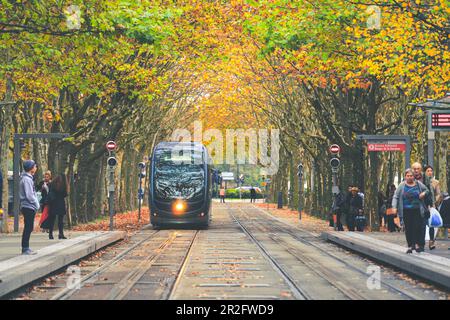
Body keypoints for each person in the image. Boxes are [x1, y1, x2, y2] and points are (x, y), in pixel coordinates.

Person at [392, 168, 430, 254]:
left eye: (411, 176)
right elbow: (396, 196)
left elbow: (427, 190)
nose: (409, 177)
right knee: (408, 228)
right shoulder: (402, 185)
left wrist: (423, 194)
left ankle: (416, 244)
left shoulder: (418, 184)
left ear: (414, 177)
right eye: (408, 176)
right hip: (406, 210)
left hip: (417, 210)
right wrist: (394, 207)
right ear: (405, 176)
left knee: (417, 227)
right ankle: (410, 245)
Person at [19, 160, 40, 255]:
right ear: (31, 168)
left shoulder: (27, 178)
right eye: (35, 166)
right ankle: (25, 248)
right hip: (28, 206)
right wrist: (36, 203)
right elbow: (29, 195)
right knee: (28, 227)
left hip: (28, 206)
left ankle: (26, 247)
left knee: (29, 226)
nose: (36, 168)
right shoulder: (27, 179)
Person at [423, 165, 442, 250]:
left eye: (431, 171)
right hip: (423, 206)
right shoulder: (421, 182)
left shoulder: (435, 182)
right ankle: (421, 242)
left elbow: (438, 194)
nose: (430, 172)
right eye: (428, 171)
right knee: (422, 223)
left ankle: (431, 242)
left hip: (432, 206)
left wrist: (435, 202)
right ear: (424, 172)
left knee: (432, 224)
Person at [47, 174, 68, 239]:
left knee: (52, 219)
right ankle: (61, 234)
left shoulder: (52, 184)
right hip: (60, 203)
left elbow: (49, 192)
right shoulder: (63, 186)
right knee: (60, 220)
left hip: (53, 203)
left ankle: (50, 234)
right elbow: (65, 194)